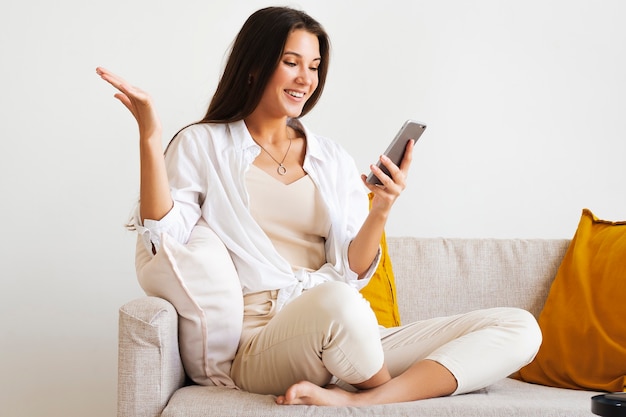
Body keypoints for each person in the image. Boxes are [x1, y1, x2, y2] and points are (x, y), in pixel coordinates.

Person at [97, 6, 541, 407]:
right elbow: (164, 238)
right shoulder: (203, 143)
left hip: (344, 326)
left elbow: (351, 270)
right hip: (263, 341)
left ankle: (363, 399)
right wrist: (150, 138)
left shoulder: (330, 157)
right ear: (253, 66)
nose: (305, 79)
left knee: (518, 327)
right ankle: (373, 384)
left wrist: (382, 207)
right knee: (337, 304)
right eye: (291, 63)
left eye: (314, 67)